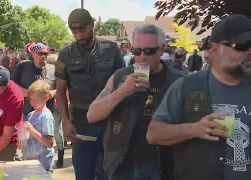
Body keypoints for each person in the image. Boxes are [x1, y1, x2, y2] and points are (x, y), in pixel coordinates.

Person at [147, 14, 251, 180]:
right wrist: (194, 129)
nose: (250, 51)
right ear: (216, 49)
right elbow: (153, 134)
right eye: (242, 46)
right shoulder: (186, 87)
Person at [87, 24, 184, 180]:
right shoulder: (120, 77)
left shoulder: (178, 81)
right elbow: (92, 115)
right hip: (121, 165)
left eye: (149, 51)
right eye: (137, 51)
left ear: (161, 49)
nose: (142, 57)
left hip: (163, 165)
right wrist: (122, 91)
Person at [55, 8, 125, 180]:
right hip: (81, 127)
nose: (79, 35)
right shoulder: (65, 55)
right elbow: (60, 92)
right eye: (74, 31)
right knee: (84, 174)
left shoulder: (112, 50)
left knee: (111, 174)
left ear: (92, 25)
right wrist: (66, 121)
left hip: (110, 125)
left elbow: (123, 85)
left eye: (83, 30)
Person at [23, 80, 55, 172]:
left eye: (35, 99)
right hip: (31, 163)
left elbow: (49, 143)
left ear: (46, 97)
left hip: (42, 165)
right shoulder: (31, 114)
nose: (32, 102)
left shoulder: (46, 117)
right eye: (30, 99)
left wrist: (31, 130)